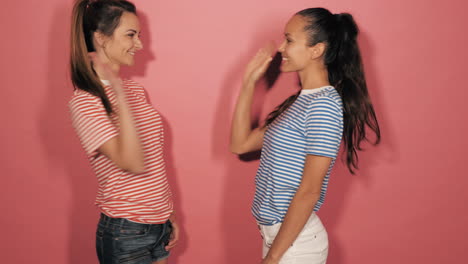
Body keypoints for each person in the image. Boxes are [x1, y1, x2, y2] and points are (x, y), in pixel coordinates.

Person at [230, 7, 380, 264]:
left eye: (289, 40)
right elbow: (240, 144)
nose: (281, 48)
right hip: (279, 239)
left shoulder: (324, 105)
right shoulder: (300, 103)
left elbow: (310, 190)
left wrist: (274, 257)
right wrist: (248, 84)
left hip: (294, 246)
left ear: (316, 50)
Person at [68, 1, 178, 263]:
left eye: (139, 35)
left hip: (158, 225)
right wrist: (116, 88)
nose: (139, 45)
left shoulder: (135, 90)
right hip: (125, 232)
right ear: (100, 38)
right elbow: (132, 161)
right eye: (131, 35)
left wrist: (168, 213)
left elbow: (153, 157)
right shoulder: (84, 101)